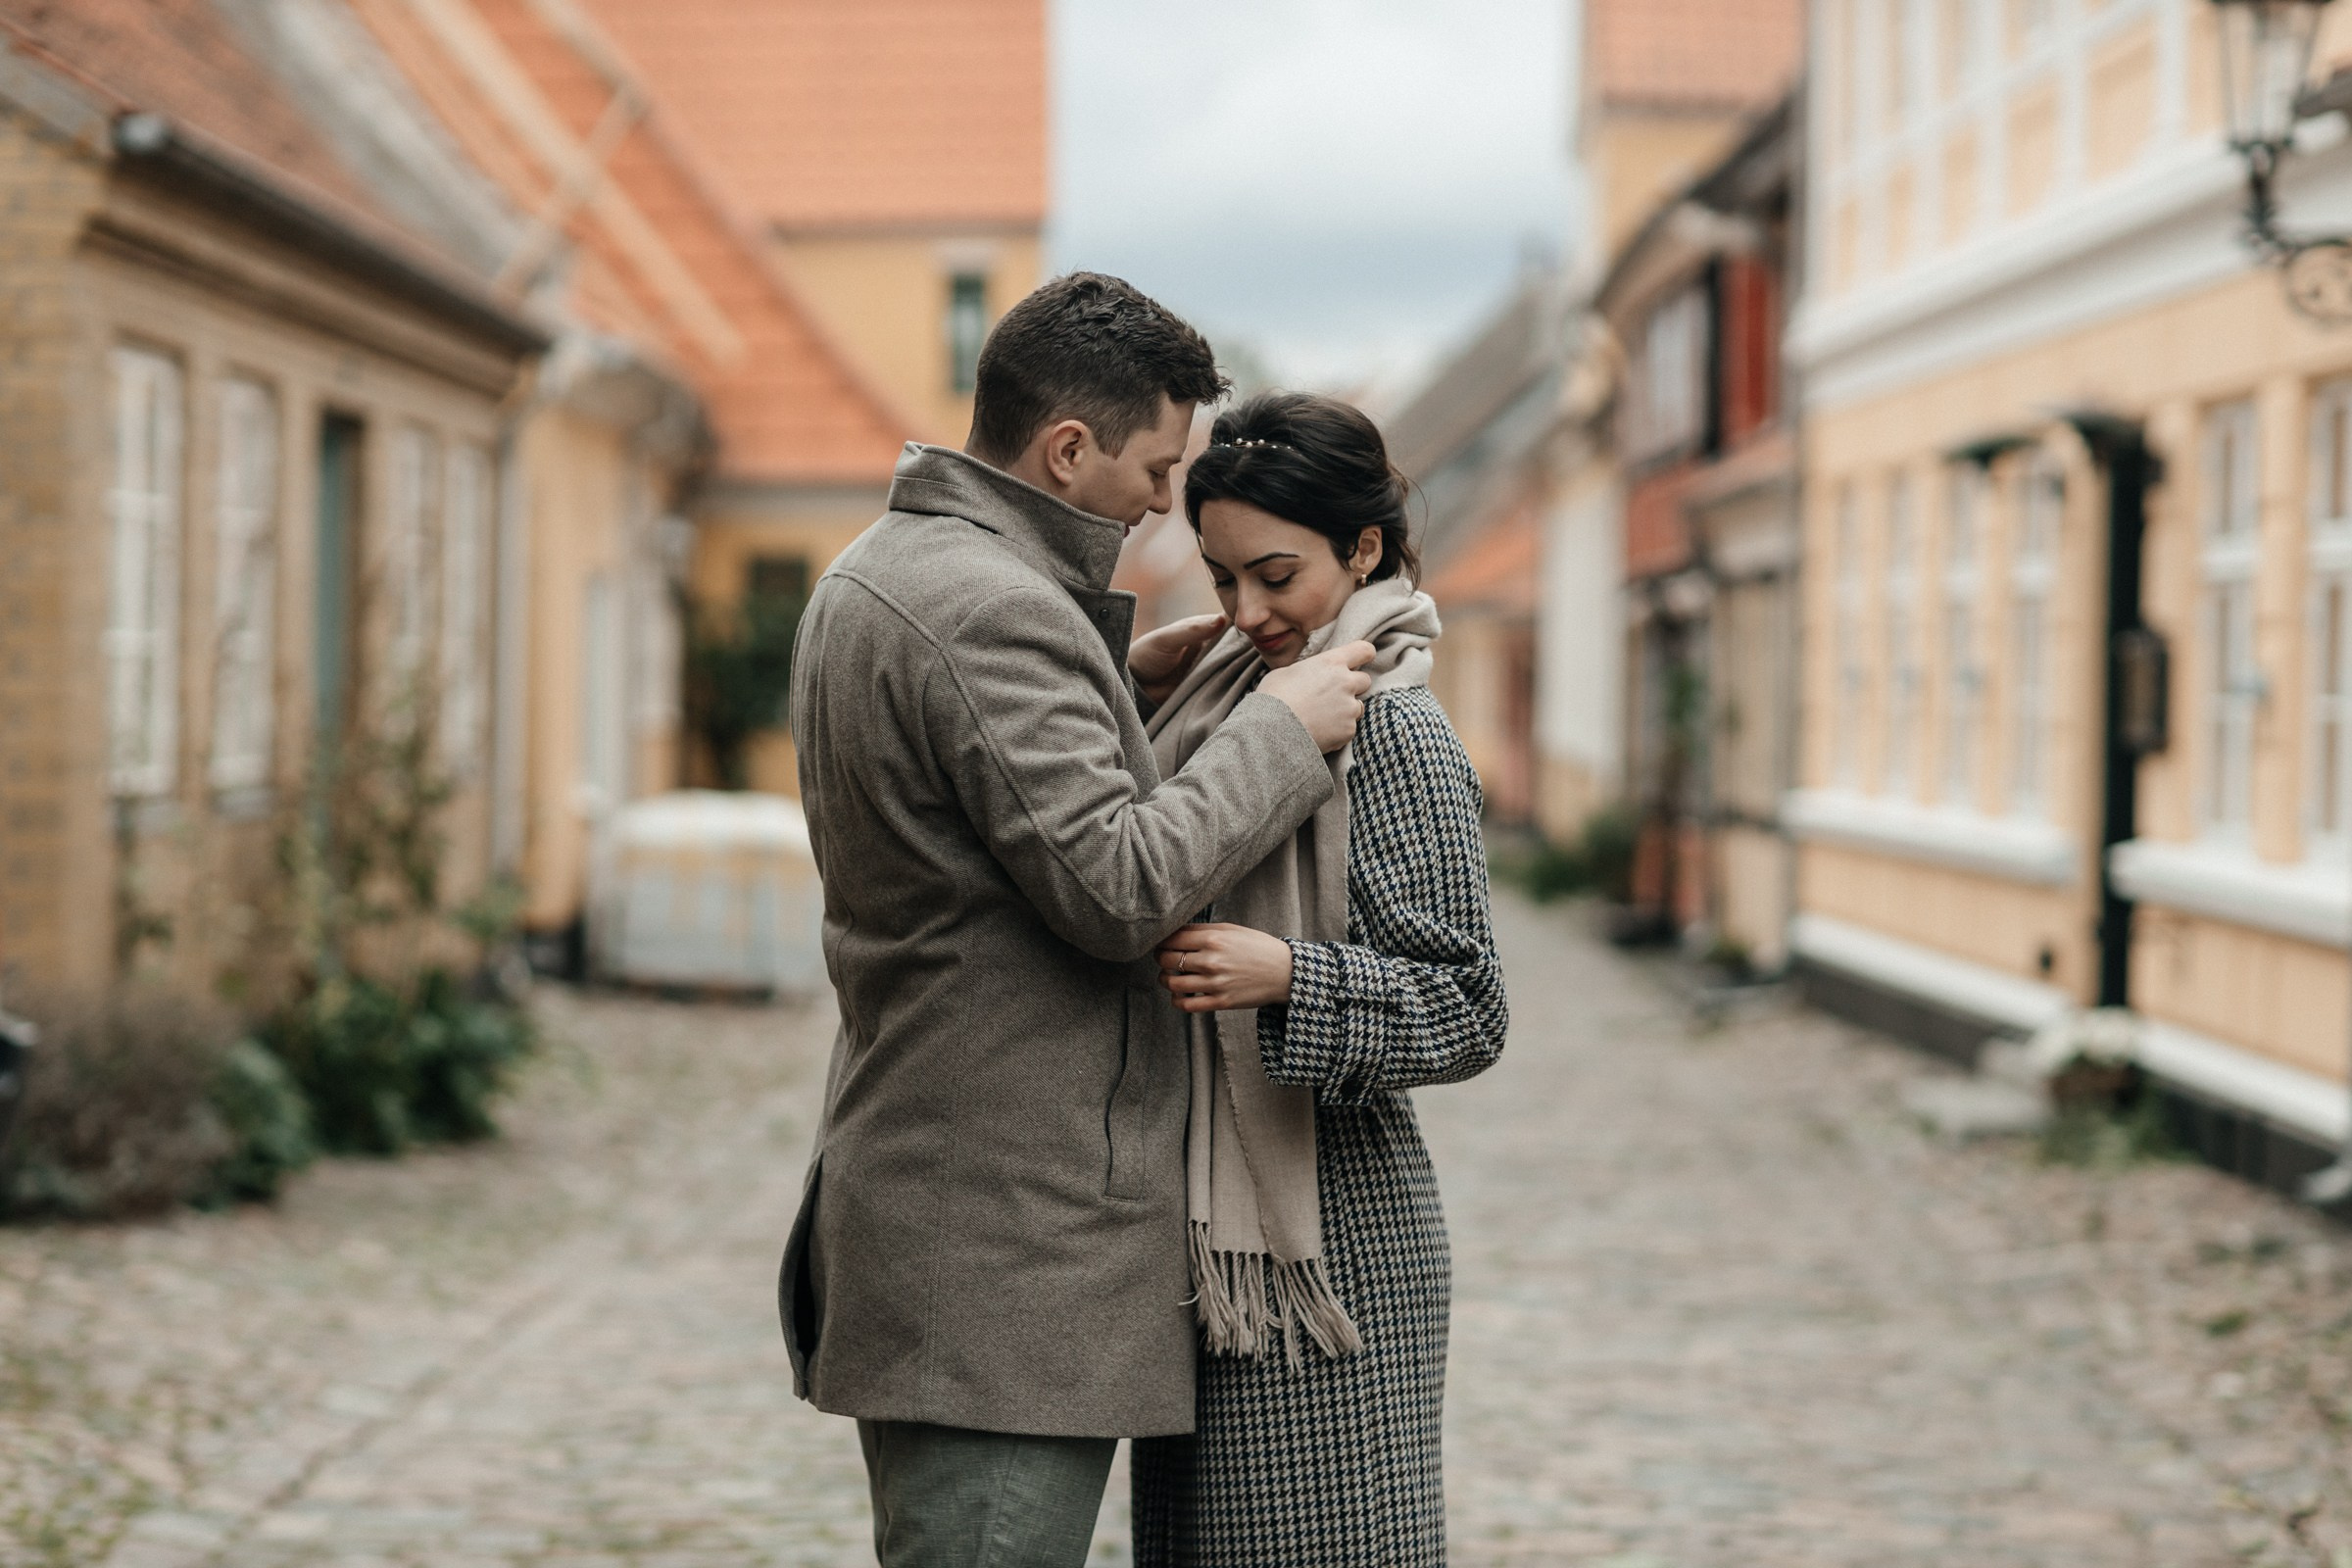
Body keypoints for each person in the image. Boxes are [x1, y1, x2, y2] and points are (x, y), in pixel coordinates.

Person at [780, 274, 1378, 1568]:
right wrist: (1277, 734)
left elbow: (967, 827)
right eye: (1158, 468)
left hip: (953, 1218)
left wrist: (1111, 675)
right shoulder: (990, 608)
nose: (1167, 502)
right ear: (1067, 448)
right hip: (1010, 1253)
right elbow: (1115, 885)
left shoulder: (889, 569)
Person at [1128, 391, 1510, 1567]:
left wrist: (1288, 973)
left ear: (1364, 549)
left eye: (1276, 576)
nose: (1248, 613)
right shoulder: (1239, 698)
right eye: (1223, 576)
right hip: (1214, 1237)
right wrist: (1133, 692)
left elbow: (1468, 1005)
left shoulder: (1392, 728)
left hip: (1330, 1247)